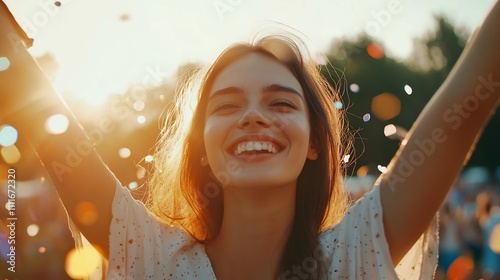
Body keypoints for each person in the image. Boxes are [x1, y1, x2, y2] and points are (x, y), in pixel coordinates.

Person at [1, 2, 499, 279]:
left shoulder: (356, 255)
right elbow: (34, 101)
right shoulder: (148, 257)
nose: (254, 117)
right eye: (227, 105)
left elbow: (464, 111)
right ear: (199, 146)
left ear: (315, 143)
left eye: (281, 103)